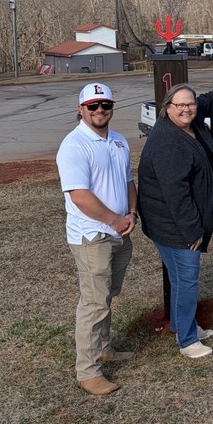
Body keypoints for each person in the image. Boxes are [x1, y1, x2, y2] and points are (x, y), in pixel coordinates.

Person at [137, 78, 213, 358]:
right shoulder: (169, 142)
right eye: (180, 105)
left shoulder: (190, 119)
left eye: (190, 104)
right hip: (174, 226)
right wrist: (193, 230)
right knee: (187, 279)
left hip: (174, 223)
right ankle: (188, 341)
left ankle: (185, 325)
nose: (187, 109)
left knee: (181, 279)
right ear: (167, 108)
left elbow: (207, 99)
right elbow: (176, 194)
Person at [56, 83, 138, 395]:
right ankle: (88, 372)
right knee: (93, 302)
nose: (100, 110)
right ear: (81, 109)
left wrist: (131, 212)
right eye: (93, 106)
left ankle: (104, 348)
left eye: (105, 105)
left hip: (120, 230)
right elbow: (79, 196)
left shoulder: (117, 140)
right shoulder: (74, 145)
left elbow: (128, 180)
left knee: (106, 294)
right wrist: (115, 220)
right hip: (93, 236)